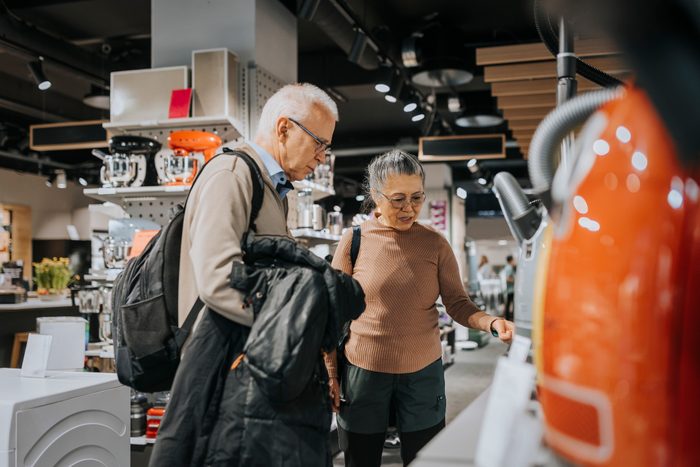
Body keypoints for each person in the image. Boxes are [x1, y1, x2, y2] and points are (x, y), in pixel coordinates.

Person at [150, 83, 341, 466]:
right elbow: (217, 280)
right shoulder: (233, 173)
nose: (322, 157)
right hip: (224, 367)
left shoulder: (272, 188)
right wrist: (294, 323)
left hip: (248, 363)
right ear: (284, 128)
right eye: (320, 143)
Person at [324, 150, 515, 467]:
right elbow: (331, 312)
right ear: (375, 195)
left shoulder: (435, 244)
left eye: (417, 197)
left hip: (422, 376)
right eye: (398, 199)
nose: (409, 208)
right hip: (363, 374)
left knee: (426, 460)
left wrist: (491, 323)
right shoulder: (353, 241)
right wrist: (330, 372)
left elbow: (457, 302)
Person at [503, 255, 516, 322]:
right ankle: (509, 319)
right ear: (511, 260)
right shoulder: (509, 268)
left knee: (508, 304)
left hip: (509, 289)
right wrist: (516, 281)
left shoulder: (507, 267)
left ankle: (508, 318)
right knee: (510, 304)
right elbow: (508, 278)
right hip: (511, 289)